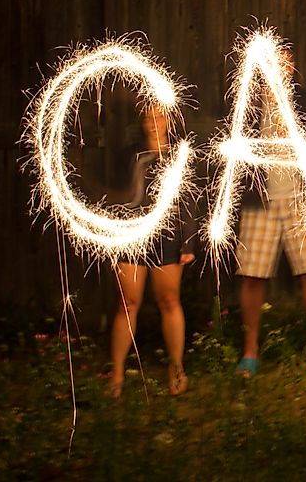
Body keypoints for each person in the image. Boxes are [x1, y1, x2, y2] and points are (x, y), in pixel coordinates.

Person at [234, 50, 306, 378]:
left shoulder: (303, 100)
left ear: (292, 66)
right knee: (251, 276)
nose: (280, 66)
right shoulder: (248, 100)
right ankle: (249, 352)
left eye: (285, 60)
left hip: (299, 202)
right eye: (273, 60)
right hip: (259, 201)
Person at [109, 105, 196, 398]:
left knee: (169, 301)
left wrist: (188, 242)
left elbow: (189, 201)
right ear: (142, 122)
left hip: (167, 238)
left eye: (160, 117)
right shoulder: (129, 156)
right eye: (148, 117)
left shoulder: (179, 156)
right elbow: (115, 198)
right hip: (131, 237)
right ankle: (117, 374)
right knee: (127, 303)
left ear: (169, 121)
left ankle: (176, 368)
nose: (154, 123)